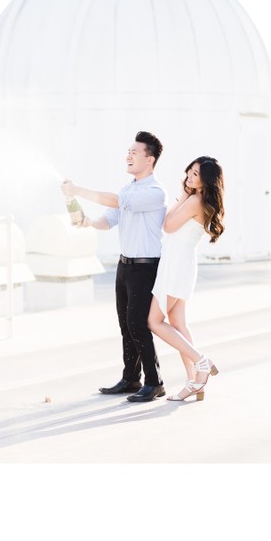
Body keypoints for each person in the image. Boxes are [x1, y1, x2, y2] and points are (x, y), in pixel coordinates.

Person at [61, 131, 167, 403]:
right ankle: (131, 379)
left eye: (135, 152)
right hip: (125, 266)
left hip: (145, 267)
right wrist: (87, 222)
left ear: (150, 159)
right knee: (125, 324)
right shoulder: (128, 189)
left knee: (138, 325)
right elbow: (108, 220)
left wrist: (78, 190)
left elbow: (117, 202)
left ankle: (154, 382)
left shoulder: (155, 193)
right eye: (128, 151)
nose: (128, 155)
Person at [148, 156, 225, 402]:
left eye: (195, 175)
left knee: (154, 321)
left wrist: (182, 195)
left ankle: (201, 363)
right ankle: (195, 382)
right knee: (178, 324)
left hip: (176, 267)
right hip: (179, 265)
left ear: (207, 180)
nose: (189, 178)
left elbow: (167, 225)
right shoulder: (200, 200)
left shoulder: (194, 200)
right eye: (189, 172)